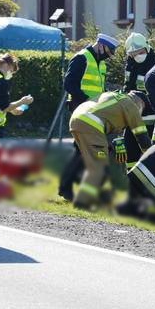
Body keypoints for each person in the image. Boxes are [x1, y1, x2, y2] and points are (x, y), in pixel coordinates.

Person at [58, 33, 119, 200]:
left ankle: (70, 185)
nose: (109, 55)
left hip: (94, 111)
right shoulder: (81, 58)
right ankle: (67, 187)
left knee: (84, 150)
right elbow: (69, 84)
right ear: (100, 45)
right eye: (108, 51)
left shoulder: (101, 64)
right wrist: (87, 101)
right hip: (81, 109)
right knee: (83, 150)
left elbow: (98, 88)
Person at [69, 90, 151, 209]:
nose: (141, 113)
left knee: (94, 165)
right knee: (99, 167)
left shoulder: (114, 97)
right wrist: (149, 155)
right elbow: (141, 135)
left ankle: (89, 199)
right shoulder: (131, 104)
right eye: (143, 109)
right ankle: (82, 204)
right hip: (91, 124)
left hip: (76, 120)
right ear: (140, 103)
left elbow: (106, 119)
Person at [122, 32, 155, 169]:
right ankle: (132, 183)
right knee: (130, 153)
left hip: (151, 120)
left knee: (150, 156)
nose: (137, 56)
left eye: (140, 52)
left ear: (147, 48)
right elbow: (127, 85)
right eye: (133, 54)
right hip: (132, 117)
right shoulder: (130, 64)